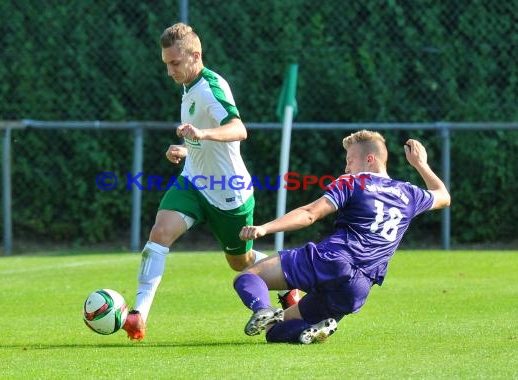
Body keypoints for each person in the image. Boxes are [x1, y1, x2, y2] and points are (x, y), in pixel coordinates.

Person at [123, 22, 298, 341]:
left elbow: (238, 129)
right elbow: (203, 142)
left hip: (228, 193)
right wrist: (188, 149)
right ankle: (138, 315)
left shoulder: (210, 87)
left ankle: (290, 279)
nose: (169, 71)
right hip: (194, 182)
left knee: (241, 263)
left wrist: (202, 134)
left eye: (175, 63)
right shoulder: (189, 87)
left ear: (195, 55)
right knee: (160, 233)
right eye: (166, 64)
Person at [233, 130, 451, 344]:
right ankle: (309, 330)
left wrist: (265, 228)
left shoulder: (352, 182)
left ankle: (262, 309)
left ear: (369, 159)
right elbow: (443, 196)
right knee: (275, 331)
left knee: (248, 277)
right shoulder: (409, 194)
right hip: (358, 287)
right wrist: (420, 164)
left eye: (350, 160)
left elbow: (310, 214)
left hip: (331, 260)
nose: (346, 168)